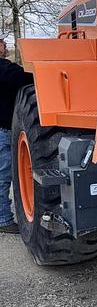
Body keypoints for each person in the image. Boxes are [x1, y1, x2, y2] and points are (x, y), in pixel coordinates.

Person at [0, 38, 33, 233]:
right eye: (2, 43)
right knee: (3, 175)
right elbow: (23, 77)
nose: (5, 45)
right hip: (3, 129)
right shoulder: (4, 69)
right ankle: (3, 219)